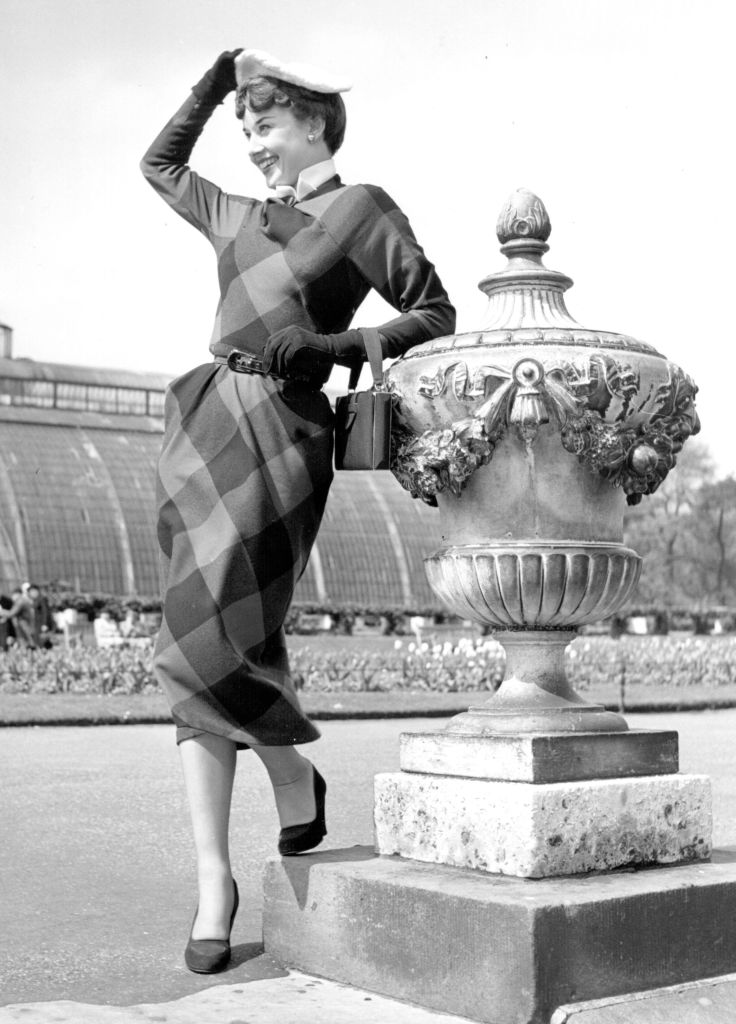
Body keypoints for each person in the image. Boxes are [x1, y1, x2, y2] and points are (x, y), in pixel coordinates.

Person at [140, 47, 455, 974]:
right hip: (202, 422)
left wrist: (335, 343)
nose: (253, 145)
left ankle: (283, 782)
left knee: (208, 642)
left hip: (284, 429)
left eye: (265, 125)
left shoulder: (360, 209)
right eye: (244, 128)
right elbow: (159, 165)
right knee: (204, 636)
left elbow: (432, 313)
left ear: (315, 122)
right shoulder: (232, 211)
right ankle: (221, 868)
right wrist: (213, 80)